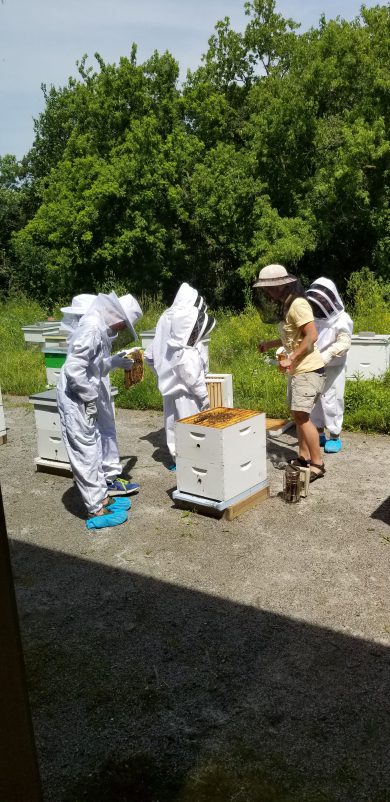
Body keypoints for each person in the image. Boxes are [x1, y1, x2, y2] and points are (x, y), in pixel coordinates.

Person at [57, 292, 143, 527]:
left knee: (94, 447)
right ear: (116, 315)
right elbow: (75, 369)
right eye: (124, 323)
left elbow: (92, 365)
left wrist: (112, 362)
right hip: (76, 397)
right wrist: (90, 397)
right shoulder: (93, 327)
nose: (121, 328)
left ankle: (101, 497)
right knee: (85, 450)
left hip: (82, 395)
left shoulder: (97, 325)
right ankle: (95, 510)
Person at [253, 264, 326, 482]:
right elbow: (292, 336)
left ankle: (317, 464)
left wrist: (291, 358)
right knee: (298, 416)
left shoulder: (298, 304)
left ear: (283, 285)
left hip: (309, 369)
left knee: (303, 417)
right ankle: (303, 457)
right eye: (266, 288)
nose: (267, 292)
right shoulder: (286, 305)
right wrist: (270, 343)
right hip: (298, 371)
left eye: (271, 287)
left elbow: (312, 335)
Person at [145, 284, 215, 467]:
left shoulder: (165, 317)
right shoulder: (185, 322)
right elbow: (189, 367)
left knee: (172, 424)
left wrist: (162, 372)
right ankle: (192, 463)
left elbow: (149, 355)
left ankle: (178, 460)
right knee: (192, 428)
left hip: (169, 385)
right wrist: (203, 393)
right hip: (187, 388)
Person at [306, 277, 353, 453]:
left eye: (324, 301)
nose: (320, 305)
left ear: (332, 299)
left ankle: (334, 435)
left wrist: (325, 356)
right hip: (314, 365)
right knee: (315, 399)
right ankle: (319, 433)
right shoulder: (314, 318)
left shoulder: (343, 319)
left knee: (332, 400)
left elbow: (343, 343)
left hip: (333, 367)